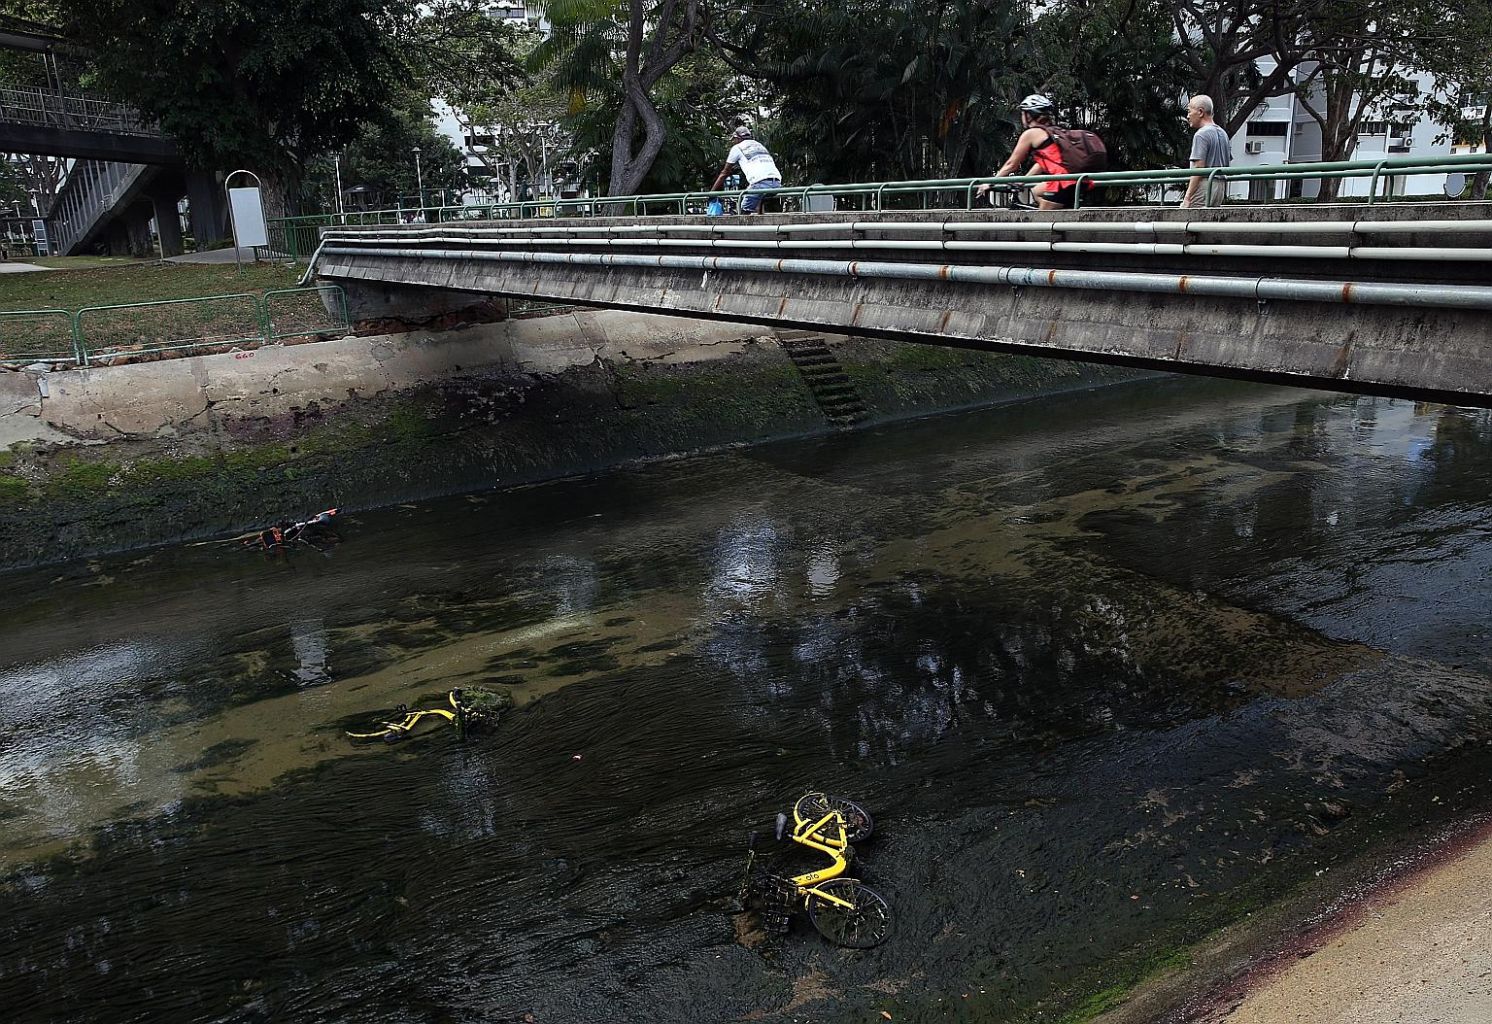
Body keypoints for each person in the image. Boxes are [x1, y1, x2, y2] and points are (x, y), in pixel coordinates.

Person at [975, 94, 1091, 211]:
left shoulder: (1032, 134)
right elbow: (1041, 164)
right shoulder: (1055, 132)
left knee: (1042, 222)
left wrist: (990, 183)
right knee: (1036, 190)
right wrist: (1023, 181)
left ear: (1029, 115)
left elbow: (1011, 165)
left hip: (1063, 183)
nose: (1021, 116)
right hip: (1078, 181)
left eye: (1023, 113)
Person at [711, 126, 782, 215]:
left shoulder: (737, 148)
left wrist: (711, 193)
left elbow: (724, 173)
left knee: (743, 212)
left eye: (734, 139)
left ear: (738, 138)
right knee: (757, 199)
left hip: (759, 183)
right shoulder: (759, 145)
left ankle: (743, 227)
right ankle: (760, 223)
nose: (733, 142)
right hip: (777, 184)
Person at [1182, 94, 1231, 208]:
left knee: (1190, 222)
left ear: (1200, 112)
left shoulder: (1201, 134)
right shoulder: (1223, 133)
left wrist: (1188, 196)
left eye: (1189, 111)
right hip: (1220, 187)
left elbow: (1199, 167)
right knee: (1209, 224)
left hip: (1204, 185)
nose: (1188, 116)